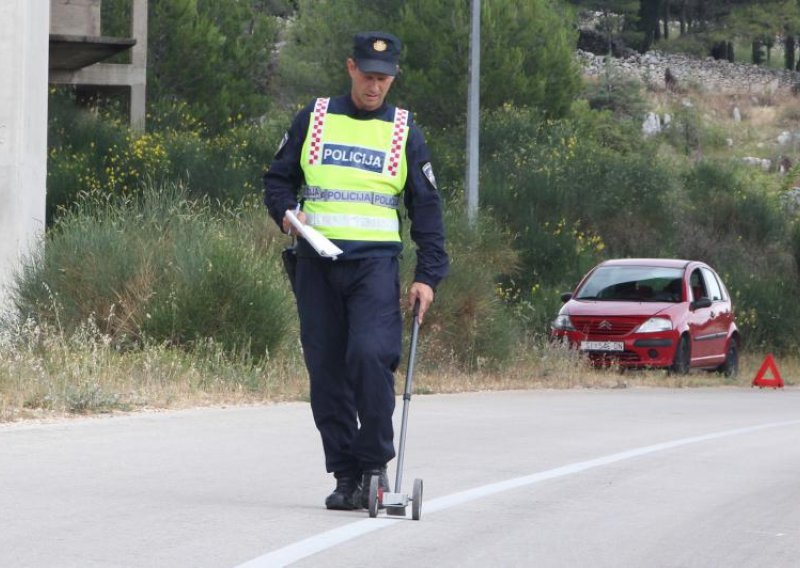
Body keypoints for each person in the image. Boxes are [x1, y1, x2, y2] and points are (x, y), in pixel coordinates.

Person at [263, 31, 449, 510]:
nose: (374, 86)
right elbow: (277, 179)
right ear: (350, 68)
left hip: (373, 266)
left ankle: (373, 467)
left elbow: (427, 210)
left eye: (383, 78)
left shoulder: (405, 131)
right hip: (316, 265)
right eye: (367, 75)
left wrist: (427, 275)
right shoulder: (316, 117)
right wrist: (287, 213)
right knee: (326, 374)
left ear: (394, 77)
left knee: (369, 357)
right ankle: (345, 477)